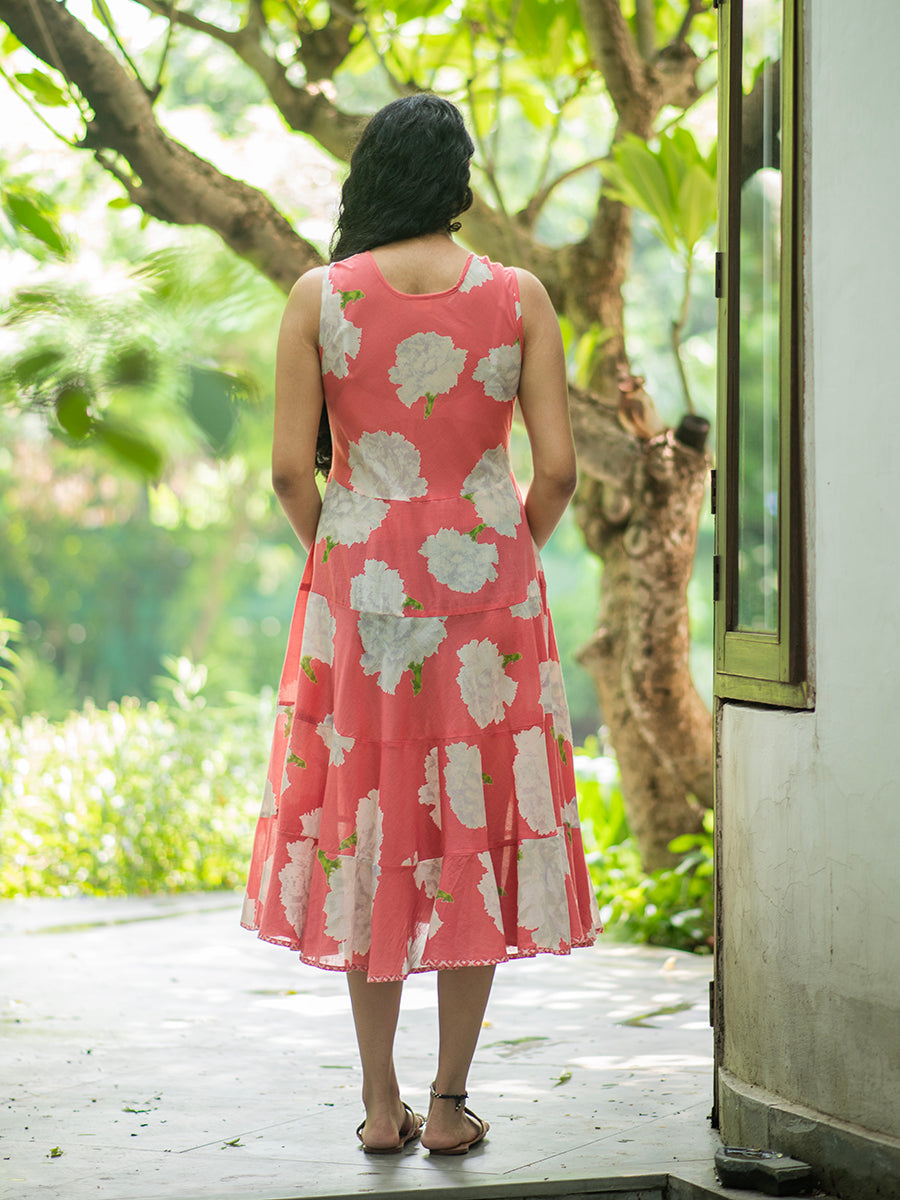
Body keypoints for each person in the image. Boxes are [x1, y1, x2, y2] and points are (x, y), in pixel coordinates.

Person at [241, 93, 602, 1157]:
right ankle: (448, 1104)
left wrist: (342, 550)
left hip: (362, 589)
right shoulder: (519, 296)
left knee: (371, 820)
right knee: (471, 825)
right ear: (458, 180)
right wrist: (505, 556)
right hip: (490, 592)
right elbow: (559, 471)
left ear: (370, 177)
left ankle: (377, 1102)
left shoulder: (320, 297)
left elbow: (286, 471)